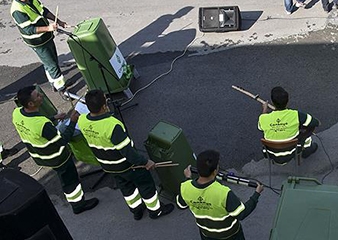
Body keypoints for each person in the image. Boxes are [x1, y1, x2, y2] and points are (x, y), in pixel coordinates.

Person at [78, 89, 174, 220]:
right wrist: (146, 162)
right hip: (128, 166)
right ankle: (155, 210)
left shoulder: (82, 120)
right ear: (104, 106)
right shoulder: (112, 125)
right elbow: (129, 153)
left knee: (127, 189)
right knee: (146, 185)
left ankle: (136, 210)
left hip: (109, 167)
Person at [11, 85, 99, 214]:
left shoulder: (17, 113)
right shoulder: (42, 124)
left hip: (39, 155)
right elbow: (62, 141)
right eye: (38, 96)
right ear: (30, 103)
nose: (41, 96)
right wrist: (73, 121)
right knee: (69, 180)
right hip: (57, 158)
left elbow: (35, 125)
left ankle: (74, 185)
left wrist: (53, 119)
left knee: (65, 175)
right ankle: (78, 204)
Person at [176, 150, 264, 240]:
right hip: (231, 235)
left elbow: (181, 204)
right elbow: (242, 214)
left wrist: (187, 178)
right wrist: (256, 194)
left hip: (207, 234)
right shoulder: (223, 193)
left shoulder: (185, 187)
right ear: (215, 172)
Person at [11, 0, 71, 93]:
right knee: (52, 65)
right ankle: (62, 89)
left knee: (51, 61)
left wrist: (58, 21)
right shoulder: (17, 10)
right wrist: (48, 28)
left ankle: (54, 83)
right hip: (38, 42)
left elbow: (44, 11)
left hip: (46, 37)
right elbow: (29, 29)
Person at [258, 86, 319, 162]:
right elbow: (316, 123)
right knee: (306, 137)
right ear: (287, 101)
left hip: (272, 154)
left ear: (273, 102)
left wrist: (264, 110)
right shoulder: (296, 115)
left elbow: (260, 128)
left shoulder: (263, 118)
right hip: (293, 151)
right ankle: (307, 151)